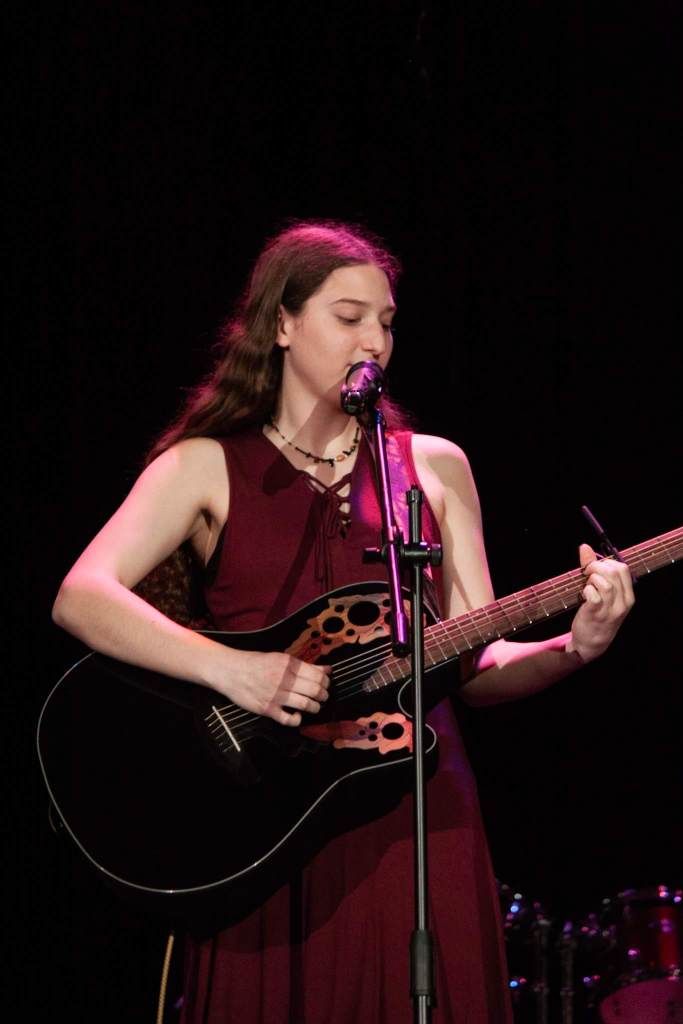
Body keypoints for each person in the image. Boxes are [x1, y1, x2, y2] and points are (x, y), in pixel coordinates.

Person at [52, 220, 635, 1023]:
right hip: (264, 816)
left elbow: (477, 662)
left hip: (415, 816)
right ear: (282, 324)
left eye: (386, 322)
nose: (374, 341)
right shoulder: (204, 464)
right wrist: (234, 669)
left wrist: (574, 646)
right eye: (349, 316)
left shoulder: (431, 466)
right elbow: (82, 595)